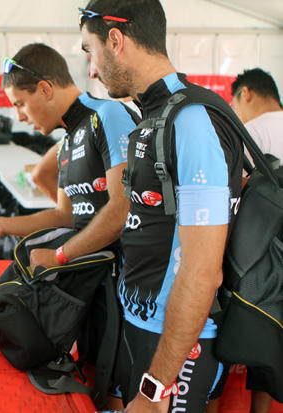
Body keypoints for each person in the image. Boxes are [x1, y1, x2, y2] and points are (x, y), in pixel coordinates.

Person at [79, 1, 244, 412]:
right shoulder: (156, 113)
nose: (91, 70)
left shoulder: (191, 119)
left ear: (115, 40)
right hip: (140, 323)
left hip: (177, 343)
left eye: (89, 51)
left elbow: (203, 271)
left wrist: (156, 389)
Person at [0, 43, 139, 275]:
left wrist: (60, 255)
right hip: (96, 273)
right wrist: (1, 224)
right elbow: (65, 216)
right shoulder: (67, 141)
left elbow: (123, 208)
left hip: (129, 276)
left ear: (45, 89)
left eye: (20, 104)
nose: (19, 117)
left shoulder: (107, 115)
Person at [230, 67, 283, 413]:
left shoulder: (253, 132)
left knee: (263, 332)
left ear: (245, 93)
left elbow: (235, 187)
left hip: (264, 254)